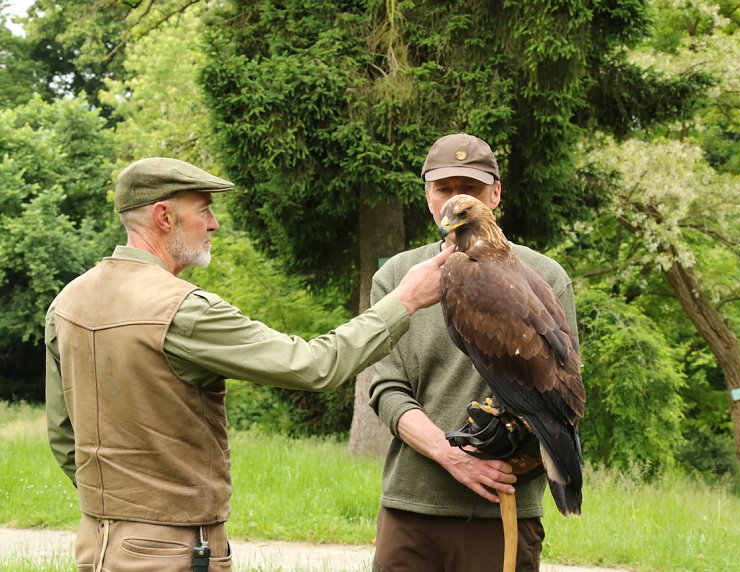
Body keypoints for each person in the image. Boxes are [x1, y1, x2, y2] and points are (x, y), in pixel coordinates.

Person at [45, 157, 453, 572]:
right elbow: (314, 366)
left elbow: (64, 437)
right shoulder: (184, 311)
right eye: (204, 209)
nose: (214, 224)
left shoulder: (68, 302)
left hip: (95, 544)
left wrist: (121, 509)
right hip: (172, 550)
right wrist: (405, 300)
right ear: (163, 216)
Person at [368, 133, 579, 571]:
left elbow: (562, 395)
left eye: (471, 189)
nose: (454, 201)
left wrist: (533, 450)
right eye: (444, 189)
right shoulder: (395, 276)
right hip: (413, 507)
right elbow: (386, 388)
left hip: (502, 509)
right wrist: (451, 456)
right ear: (427, 195)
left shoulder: (545, 275)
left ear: (495, 195)